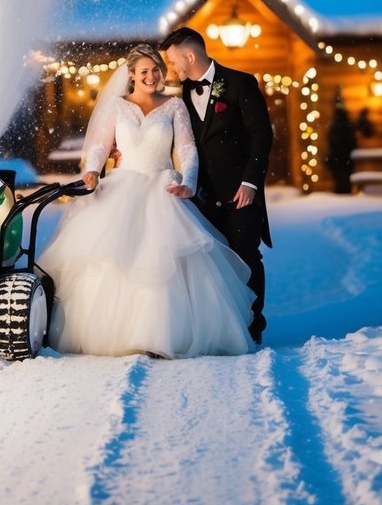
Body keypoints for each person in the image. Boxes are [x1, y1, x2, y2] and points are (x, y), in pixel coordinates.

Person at [41, 45, 255, 358]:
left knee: (162, 260)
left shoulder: (174, 106)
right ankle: (111, 332)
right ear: (132, 76)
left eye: (156, 69)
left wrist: (189, 181)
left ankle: (160, 334)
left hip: (162, 186)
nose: (152, 76)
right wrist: (92, 171)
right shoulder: (117, 106)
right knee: (112, 256)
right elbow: (101, 145)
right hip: (121, 186)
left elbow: (186, 150)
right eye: (144, 72)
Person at [161, 26, 273, 344]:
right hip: (202, 197)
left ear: (190, 55)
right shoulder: (181, 97)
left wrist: (251, 182)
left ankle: (253, 326)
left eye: (173, 61)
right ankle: (224, 328)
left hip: (241, 193)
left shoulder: (240, 84)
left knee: (246, 256)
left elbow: (261, 136)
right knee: (212, 261)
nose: (172, 69)